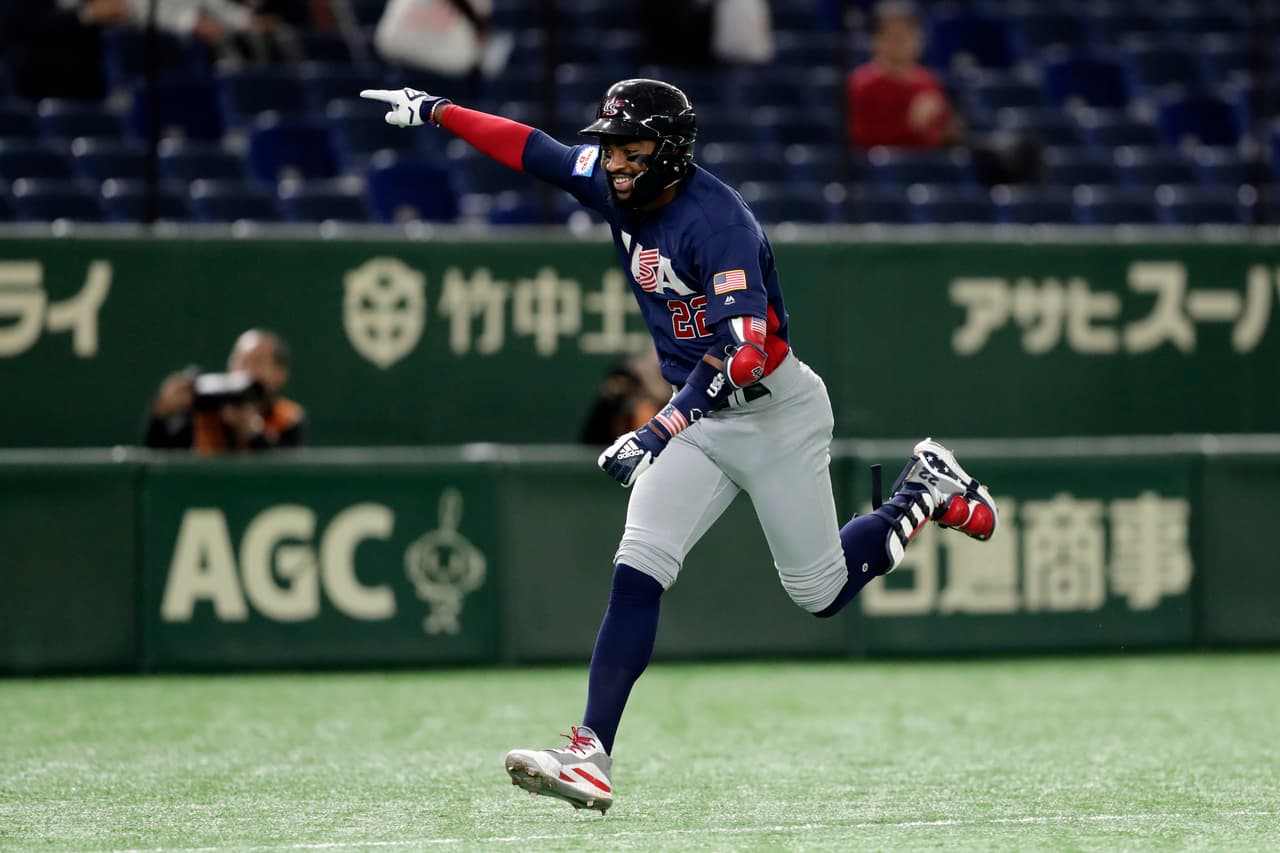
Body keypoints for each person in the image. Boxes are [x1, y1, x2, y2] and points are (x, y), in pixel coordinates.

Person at [360, 79, 1000, 814]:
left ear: (670, 150)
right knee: (638, 567)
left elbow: (745, 357)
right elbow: (533, 151)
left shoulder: (718, 222)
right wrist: (442, 110)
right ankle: (592, 752)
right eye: (612, 148)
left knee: (820, 591)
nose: (615, 163)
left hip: (774, 413)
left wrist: (661, 427)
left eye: (631, 149)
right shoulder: (612, 184)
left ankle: (923, 491)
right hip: (700, 414)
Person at [143, 328, 306, 454]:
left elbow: (286, 473)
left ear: (280, 373)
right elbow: (159, 452)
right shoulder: (204, 411)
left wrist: (253, 434)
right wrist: (162, 413)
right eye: (241, 361)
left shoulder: (287, 417)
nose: (246, 371)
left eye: (257, 362)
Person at [847, 1, 961, 150]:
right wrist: (909, 124)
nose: (901, 43)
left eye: (909, 35)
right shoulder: (860, 84)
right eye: (894, 36)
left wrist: (951, 130)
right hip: (883, 170)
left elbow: (940, 137)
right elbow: (860, 139)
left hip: (926, 166)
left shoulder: (928, 81)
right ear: (876, 40)